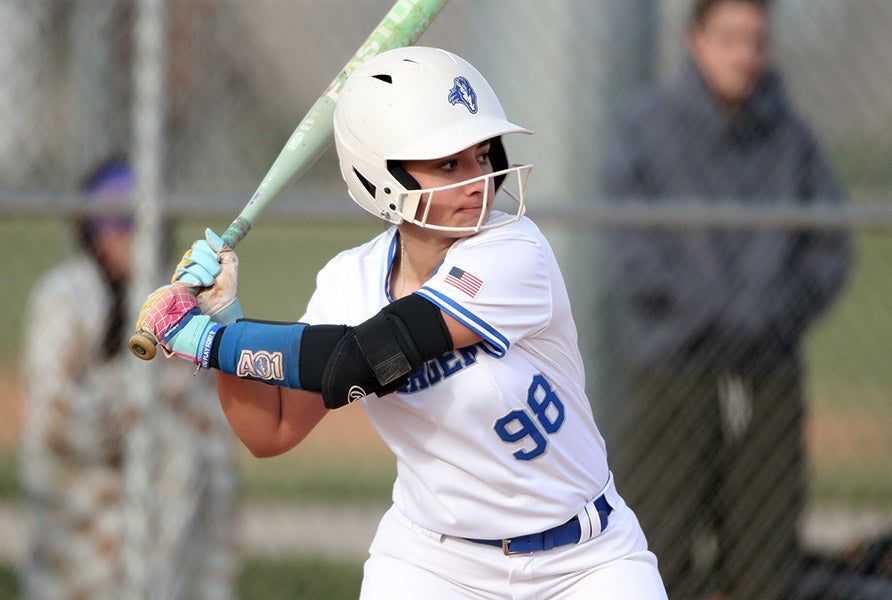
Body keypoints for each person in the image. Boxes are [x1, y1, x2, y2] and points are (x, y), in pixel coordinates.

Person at [136, 46, 668, 599]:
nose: (478, 180)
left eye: (482, 155)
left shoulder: (514, 251)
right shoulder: (349, 282)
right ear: (382, 177)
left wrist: (207, 341)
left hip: (585, 560)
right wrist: (222, 315)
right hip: (434, 564)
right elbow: (270, 429)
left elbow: (367, 357)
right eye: (448, 164)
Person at [599, 1, 853, 598]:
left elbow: (828, 249)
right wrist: (702, 314)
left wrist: (771, 315)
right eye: (730, 38)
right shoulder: (646, 127)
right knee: (655, 548)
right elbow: (628, 247)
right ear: (695, 40)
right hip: (674, 368)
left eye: (757, 41)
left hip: (767, 371)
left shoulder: (789, 136)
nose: (745, 55)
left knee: (764, 559)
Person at [19, 159, 240, 600]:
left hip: (164, 507)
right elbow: (55, 417)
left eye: (137, 225)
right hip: (84, 492)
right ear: (91, 230)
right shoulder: (65, 297)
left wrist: (151, 407)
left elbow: (194, 396)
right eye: (115, 225)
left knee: (193, 451)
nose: (129, 238)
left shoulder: (169, 297)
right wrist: (133, 405)